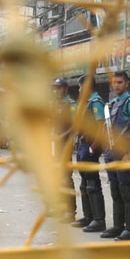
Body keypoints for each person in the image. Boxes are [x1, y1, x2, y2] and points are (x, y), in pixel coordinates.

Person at [100, 71, 130, 241]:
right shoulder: (112, 104)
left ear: (126, 84)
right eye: (113, 83)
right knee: (115, 190)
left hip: (124, 154)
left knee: (126, 191)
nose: (115, 85)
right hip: (111, 153)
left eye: (119, 82)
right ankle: (118, 226)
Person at [74, 74, 107, 232]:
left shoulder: (96, 102)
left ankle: (99, 220)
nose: (79, 90)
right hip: (82, 145)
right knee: (84, 183)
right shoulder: (85, 103)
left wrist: (94, 146)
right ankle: (88, 217)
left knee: (93, 184)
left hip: (90, 146)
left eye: (81, 86)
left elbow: (101, 126)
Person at [53, 77, 77, 222]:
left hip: (65, 146)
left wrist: (61, 135)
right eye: (55, 88)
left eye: (59, 88)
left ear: (66, 89)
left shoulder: (71, 104)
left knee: (66, 178)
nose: (56, 91)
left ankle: (71, 211)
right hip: (55, 146)